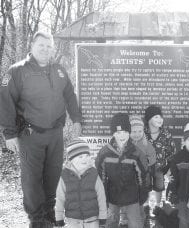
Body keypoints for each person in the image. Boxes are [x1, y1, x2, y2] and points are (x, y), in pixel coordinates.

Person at [0, 31, 82, 227]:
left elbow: (70, 96)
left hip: (55, 133)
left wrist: (76, 119)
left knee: (53, 173)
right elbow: (5, 102)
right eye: (41, 45)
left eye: (48, 46)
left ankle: (49, 210)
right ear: (32, 46)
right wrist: (9, 134)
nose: (45, 49)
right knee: (32, 178)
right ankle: (36, 217)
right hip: (30, 134)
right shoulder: (16, 71)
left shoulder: (59, 70)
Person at [95, 113, 147, 228]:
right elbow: (100, 175)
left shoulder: (136, 153)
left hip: (132, 195)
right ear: (113, 134)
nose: (122, 135)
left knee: (136, 223)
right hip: (112, 194)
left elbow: (142, 175)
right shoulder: (105, 153)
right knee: (111, 222)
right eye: (118, 132)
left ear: (129, 132)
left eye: (125, 132)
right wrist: (103, 196)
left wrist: (143, 192)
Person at [54, 139, 107, 228]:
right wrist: (59, 217)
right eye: (80, 157)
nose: (85, 159)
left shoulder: (93, 174)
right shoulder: (64, 176)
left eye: (87, 155)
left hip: (92, 219)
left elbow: (101, 196)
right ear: (71, 159)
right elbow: (60, 198)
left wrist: (103, 216)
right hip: (73, 220)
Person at [144, 105, 177, 207]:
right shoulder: (143, 133)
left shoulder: (165, 134)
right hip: (145, 168)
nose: (160, 119)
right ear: (149, 119)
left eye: (161, 117)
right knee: (146, 188)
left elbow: (172, 152)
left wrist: (168, 169)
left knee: (159, 188)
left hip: (160, 168)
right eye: (156, 117)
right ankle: (146, 207)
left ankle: (157, 206)